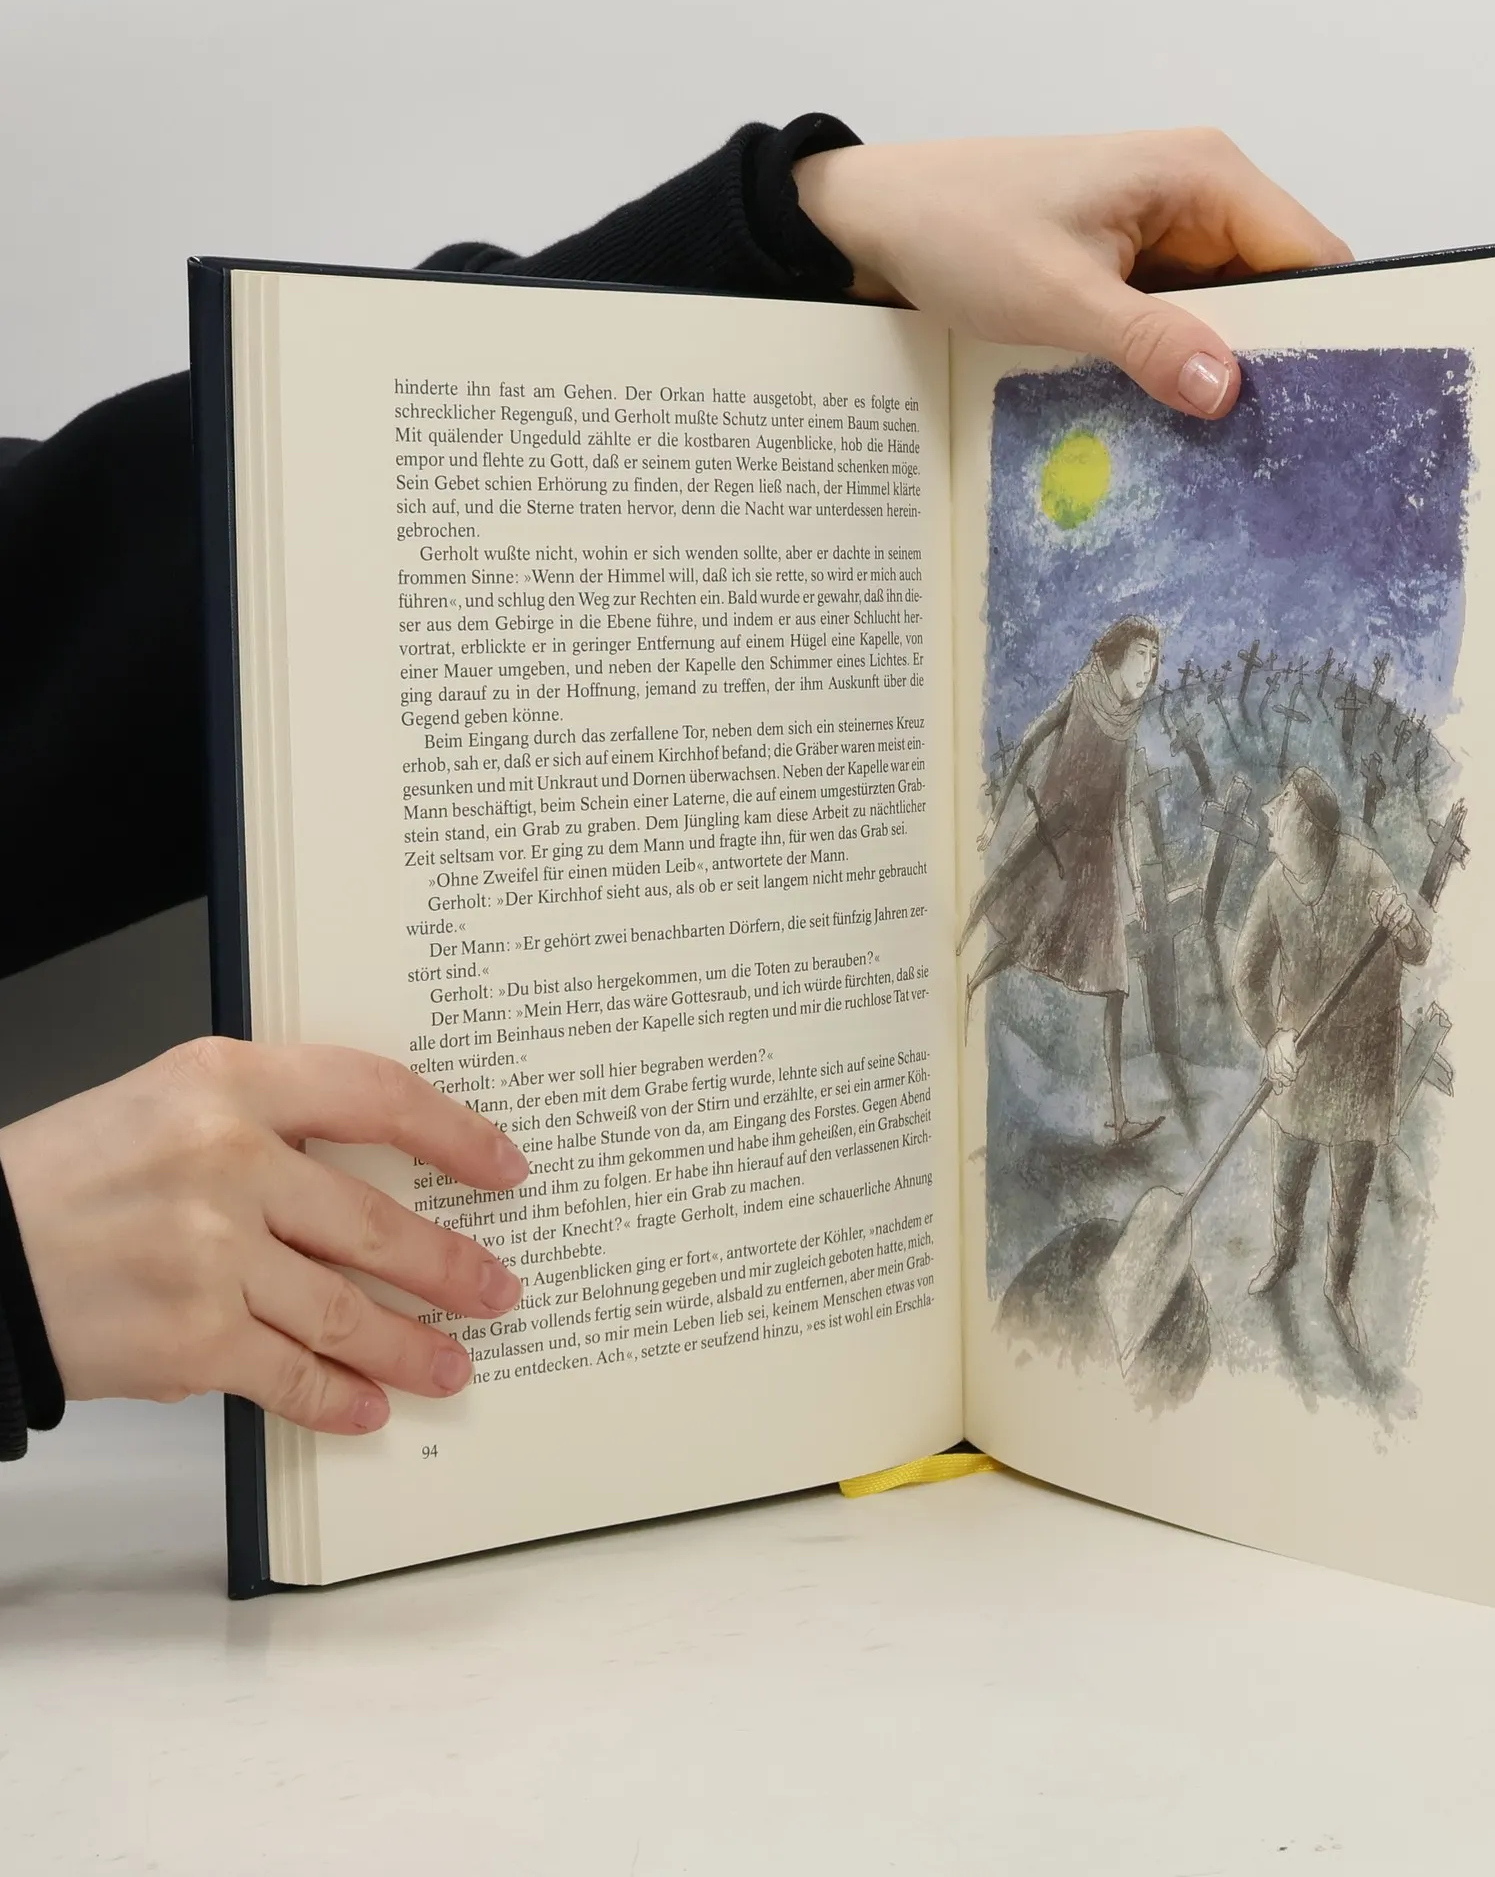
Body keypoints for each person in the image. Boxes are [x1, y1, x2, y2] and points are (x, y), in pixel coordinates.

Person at [0, 118, 1349, 1461]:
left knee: (1082, 983)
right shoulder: (1087, 704)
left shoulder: (1152, 732)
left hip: (1097, 869)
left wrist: (800, 227)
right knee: (1022, 958)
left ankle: (1076, 1099)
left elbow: (109, 589)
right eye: (1141, 657)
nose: (1146, 670)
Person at [1229, 767, 1427, 1355]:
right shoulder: (1273, 886)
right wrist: (1271, 1038)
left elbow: (1417, 949)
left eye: (1281, 806)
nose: (1269, 813)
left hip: (1364, 1062)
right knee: (1288, 1176)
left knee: (1351, 1191)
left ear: (1309, 828)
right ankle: (1283, 1254)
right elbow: (1247, 975)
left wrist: (1404, 924)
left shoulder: (1365, 870)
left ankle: (1338, 1287)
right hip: (1301, 1057)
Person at [958, 616, 1163, 1142]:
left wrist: (1137, 889)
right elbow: (1032, 739)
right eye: (1141, 654)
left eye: (1154, 659)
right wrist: (994, 818)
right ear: (1119, 653)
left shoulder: (1128, 720)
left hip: (1097, 856)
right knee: (1020, 929)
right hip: (1054, 831)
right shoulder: (1085, 687)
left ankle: (1120, 1118)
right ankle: (964, 981)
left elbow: (1121, 811)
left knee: (1115, 985)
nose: (1148, 667)